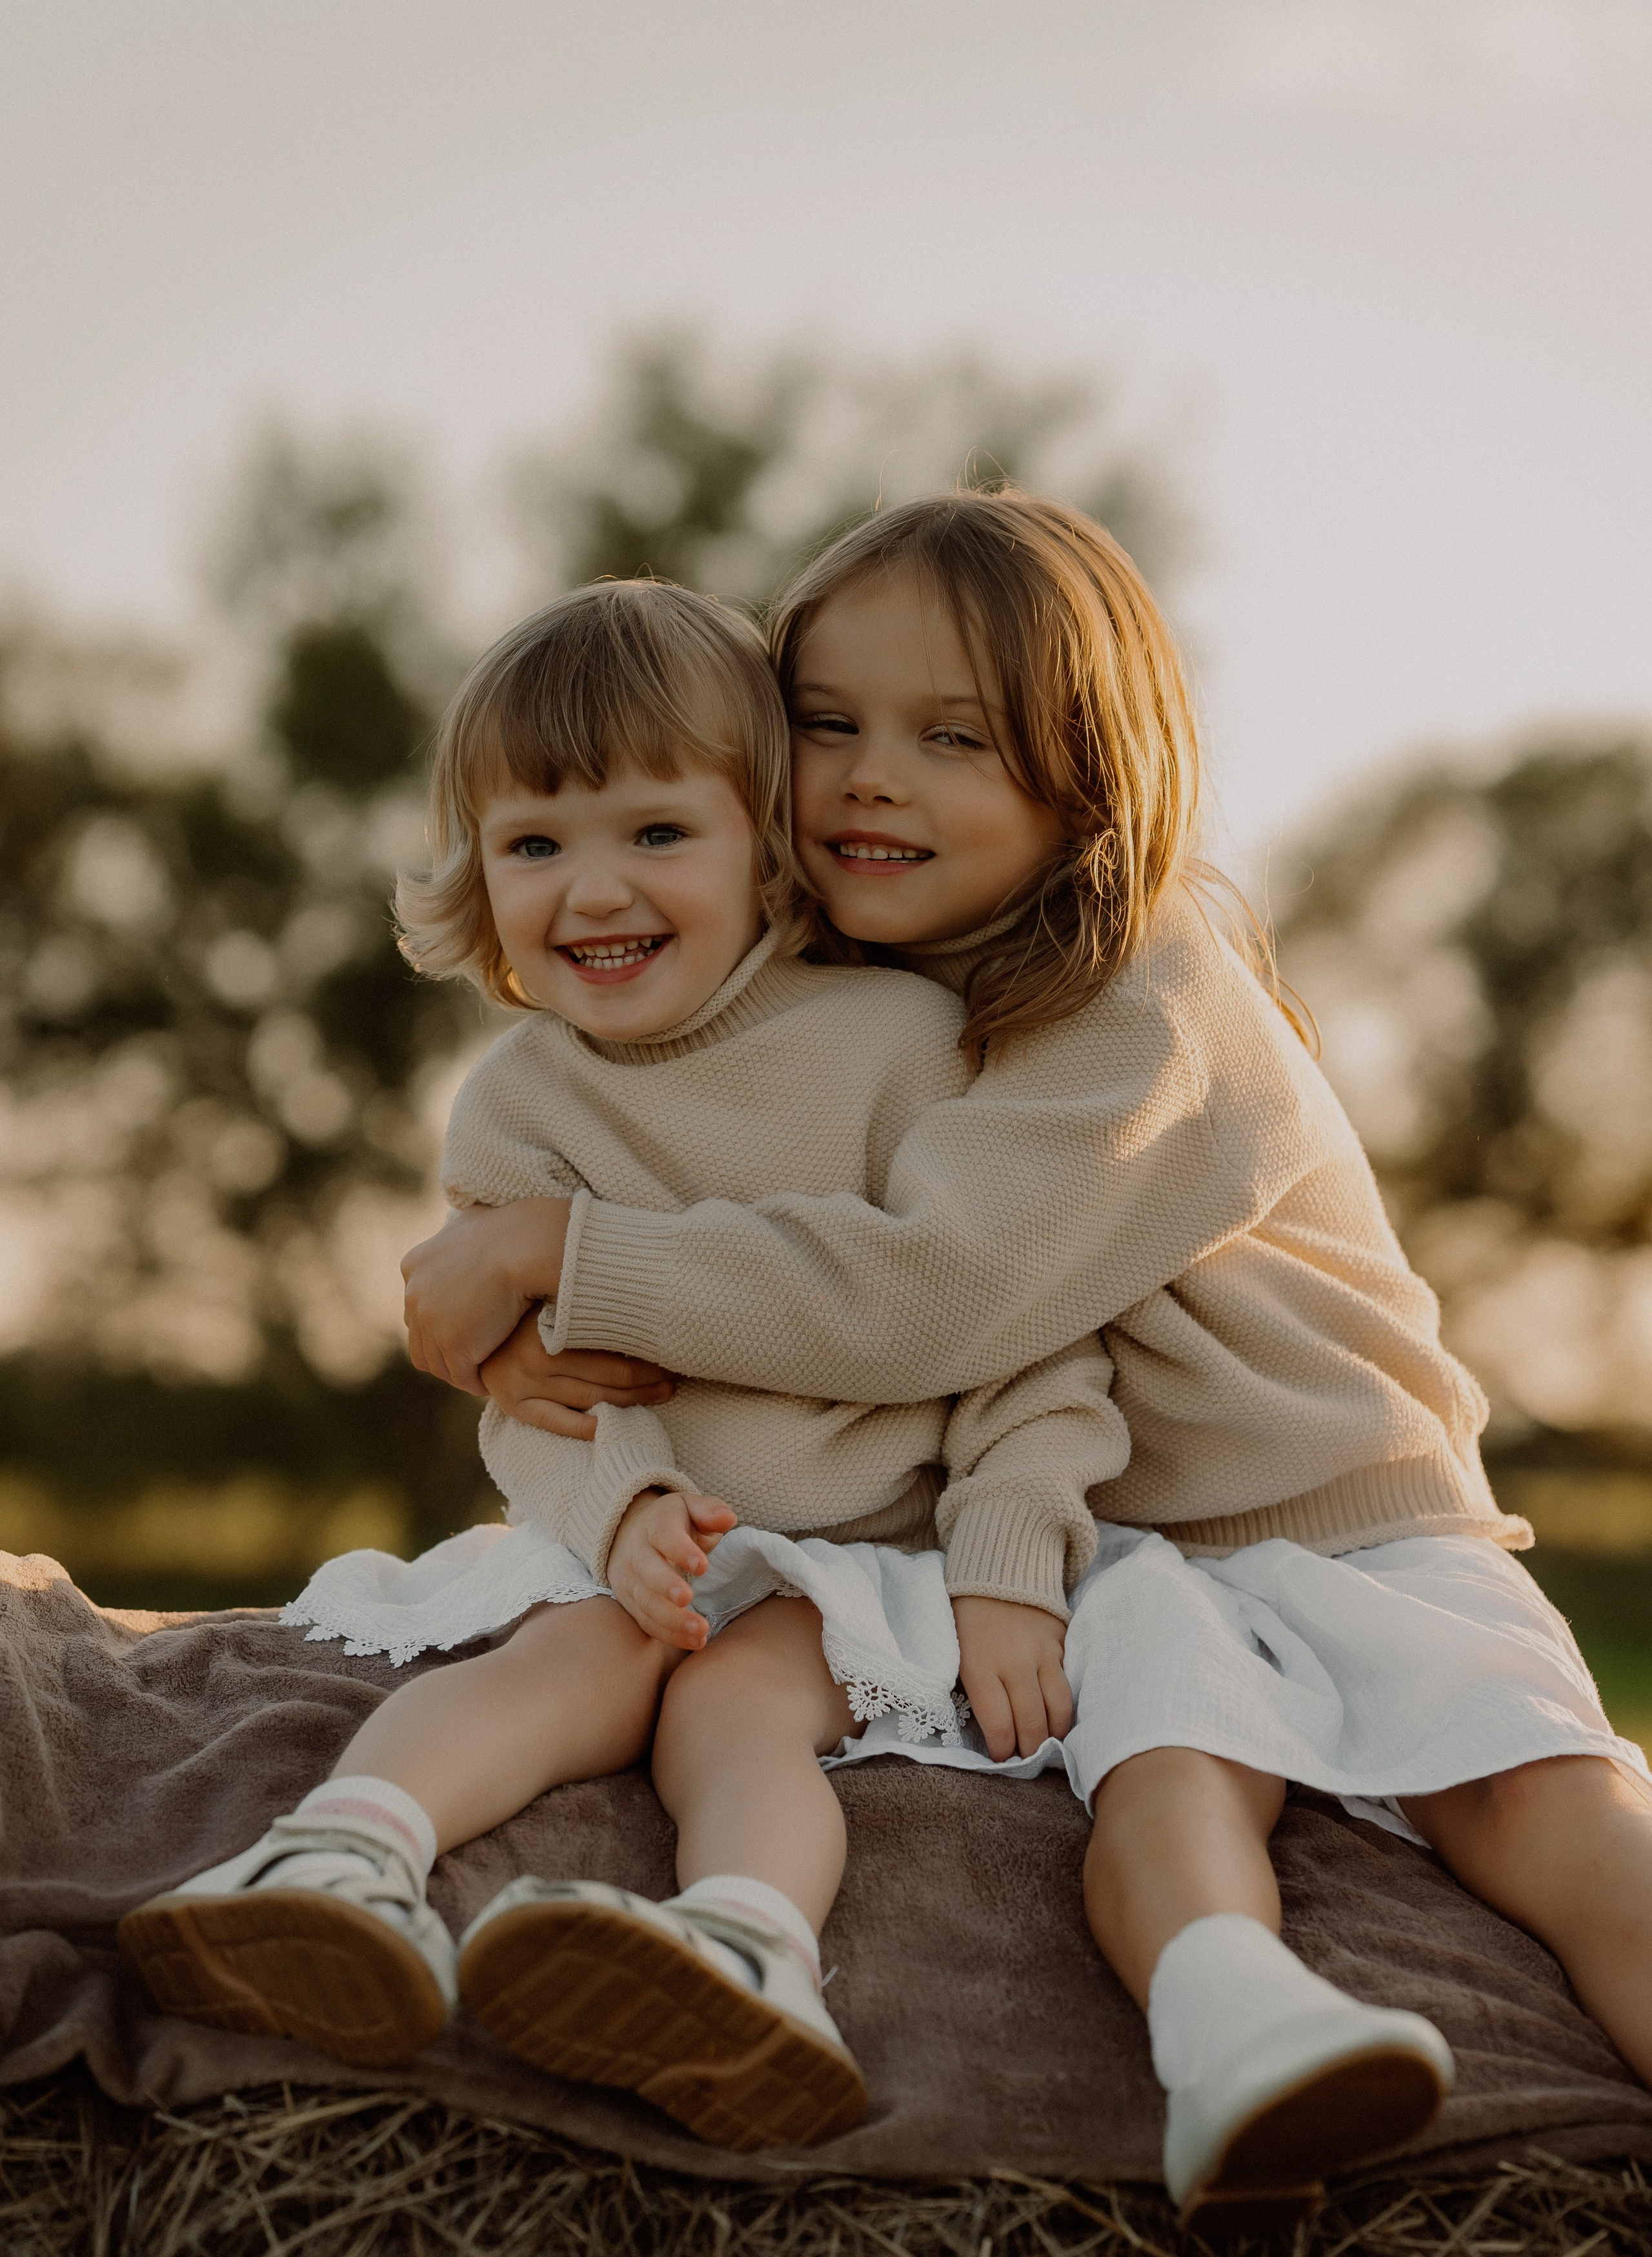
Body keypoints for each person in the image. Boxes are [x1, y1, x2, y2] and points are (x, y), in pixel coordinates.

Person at [408, 490, 1652, 2233]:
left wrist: (555, 1258)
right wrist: (490, 1309)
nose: (867, 778)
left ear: (1089, 776)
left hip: (1358, 1524)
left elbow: (928, 1298)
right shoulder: (883, 1000)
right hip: (1136, 1556)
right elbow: (716, 1196)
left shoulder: (1146, 990)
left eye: (952, 736)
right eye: (827, 725)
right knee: (1165, 1806)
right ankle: (1242, 2031)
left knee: (1549, 1814)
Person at [119, 577, 1120, 2152]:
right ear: (479, 876)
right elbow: (533, 1401)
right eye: (534, 847)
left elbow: (1018, 1338)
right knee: (563, 1661)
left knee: (730, 1710)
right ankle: (338, 1862)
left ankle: (743, 1950)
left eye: (656, 834)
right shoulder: (515, 1113)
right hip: (638, 1539)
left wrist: (1006, 1559)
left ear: (769, 842)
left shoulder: (896, 1053)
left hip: (854, 1555)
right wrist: (620, 1513)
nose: (591, 892)